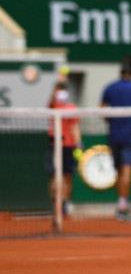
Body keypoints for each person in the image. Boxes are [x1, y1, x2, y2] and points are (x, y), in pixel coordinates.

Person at [100, 56, 131, 221]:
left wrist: (112, 122)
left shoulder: (110, 88)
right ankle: (123, 205)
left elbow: (101, 110)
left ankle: (122, 204)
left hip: (114, 135)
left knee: (118, 171)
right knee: (126, 170)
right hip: (130, 136)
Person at [47, 82, 82, 216]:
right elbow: (50, 102)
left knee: (67, 176)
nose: (61, 92)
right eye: (59, 90)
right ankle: (55, 202)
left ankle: (64, 203)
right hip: (54, 145)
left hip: (68, 146)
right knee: (55, 176)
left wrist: (78, 144)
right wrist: (56, 86)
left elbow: (75, 127)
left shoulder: (72, 107)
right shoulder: (53, 106)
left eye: (63, 89)